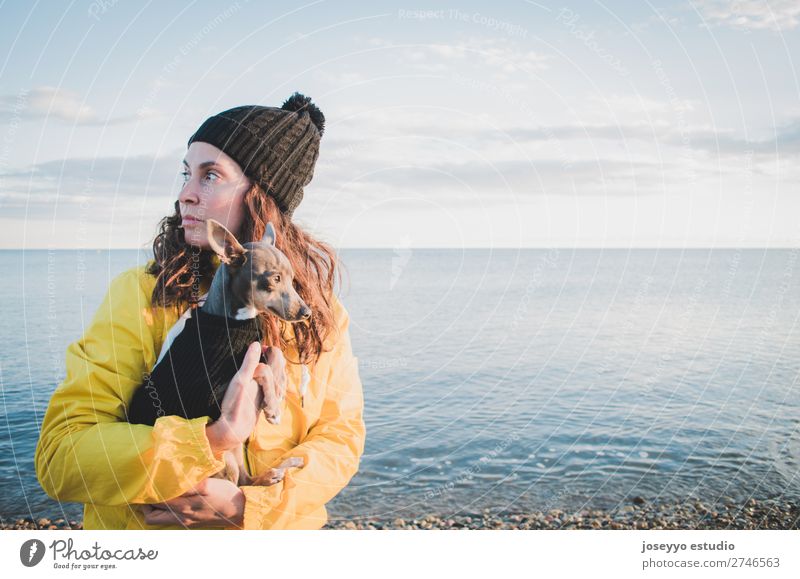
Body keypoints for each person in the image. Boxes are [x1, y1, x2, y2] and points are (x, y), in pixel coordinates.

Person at [34, 93, 366, 530]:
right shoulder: (142, 296)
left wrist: (248, 507)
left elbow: (340, 437)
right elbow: (62, 455)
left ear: (261, 195)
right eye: (187, 173)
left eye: (211, 175)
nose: (185, 195)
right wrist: (208, 443)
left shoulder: (319, 312)